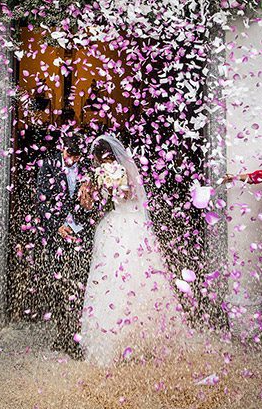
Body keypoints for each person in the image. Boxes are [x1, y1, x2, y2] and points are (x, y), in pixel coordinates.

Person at [78, 134, 187, 366]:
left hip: (131, 225)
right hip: (113, 224)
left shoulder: (125, 170)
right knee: (109, 278)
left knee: (135, 275)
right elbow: (97, 203)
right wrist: (93, 191)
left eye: (101, 160)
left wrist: (113, 183)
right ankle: (110, 341)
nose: (100, 165)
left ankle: (144, 338)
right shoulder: (98, 174)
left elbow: (129, 194)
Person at [34, 134, 98, 356]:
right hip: (57, 235)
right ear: (63, 149)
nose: (72, 160)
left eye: (76, 156)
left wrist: (88, 203)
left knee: (79, 285)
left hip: (81, 232)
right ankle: (63, 335)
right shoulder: (48, 165)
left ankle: (76, 337)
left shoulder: (88, 168)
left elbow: (93, 203)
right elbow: (40, 201)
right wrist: (56, 226)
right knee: (59, 287)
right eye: (69, 154)